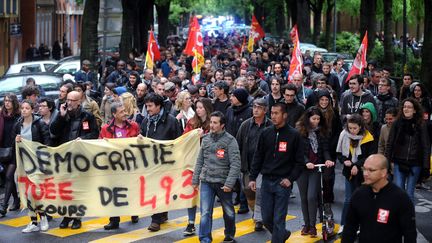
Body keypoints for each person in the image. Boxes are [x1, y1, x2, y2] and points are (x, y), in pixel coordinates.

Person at [249, 102, 305, 243]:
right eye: (272, 113)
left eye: (276, 113)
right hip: (267, 181)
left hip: (283, 182)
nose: (273, 116)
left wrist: (290, 179)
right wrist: (252, 177)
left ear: (284, 115)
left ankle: (278, 237)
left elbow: (299, 162)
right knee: (266, 218)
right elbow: (258, 156)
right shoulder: (265, 133)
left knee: (278, 219)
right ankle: (282, 234)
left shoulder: (294, 135)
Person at [49, 91, 99, 228]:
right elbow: (53, 131)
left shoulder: (87, 116)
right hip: (64, 157)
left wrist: (82, 139)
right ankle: (66, 217)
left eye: (72, 100)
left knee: (76, 190)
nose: (69, 102)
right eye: (68, 99)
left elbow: (94, 133)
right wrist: (60, 116)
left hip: (79, 159)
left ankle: (77, 218)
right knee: (65, 190)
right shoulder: (62, 114)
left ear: (79, 102)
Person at [341, 154, 417, 243]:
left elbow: (410, 234)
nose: (365, 173)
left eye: (371, 170)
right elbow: (350, 228)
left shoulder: (400, 198)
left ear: (384, 172)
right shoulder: (359, 195)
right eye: (364, 169)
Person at [192, 111, 241, 243]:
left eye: (215, 123)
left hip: (223, 183)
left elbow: (236, 164)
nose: (212, 125)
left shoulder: (230, 141)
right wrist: (195, 180)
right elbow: (199, 161)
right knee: (205, 213)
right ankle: (204, 239)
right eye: (211, 122)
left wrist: (229, 184)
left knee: (229, 213)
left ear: (222, 125)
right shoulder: (206, 139)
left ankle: (229, 236)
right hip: (207, 181)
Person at [138, 93, 182, 232]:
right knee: (154, 190)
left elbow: (179, 141)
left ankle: (156, 219)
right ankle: (161, 214)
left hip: (166, 163)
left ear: (159, 106)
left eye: (150, 106)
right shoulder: (146, 121)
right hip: (151, 163)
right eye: (146, 106)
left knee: (160, 190)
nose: (148, 109)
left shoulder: (172, 121)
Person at [99, 102, 140, 230]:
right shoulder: (106, 128)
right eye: (121, 112)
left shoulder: (133, 125)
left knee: (131, 189)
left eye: (125, 111)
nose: (125, 113)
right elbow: (99, 145)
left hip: (130, 164)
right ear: (114, 114)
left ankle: (134, 211)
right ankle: (114, 220)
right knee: (114, 192)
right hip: (113, 166)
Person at [295, 107, 334, 237]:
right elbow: (298, 151)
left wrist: (328, 160)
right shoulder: (300, 131)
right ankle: (306, 224)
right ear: (308, 119)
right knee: (304, 198)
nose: (316, 122)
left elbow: (326, 149)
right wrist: (306, 162)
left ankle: (312, 226)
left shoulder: (322, 132)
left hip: (316, 168)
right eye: (313, 119)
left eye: (318, 119)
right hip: (302, 168)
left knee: (312, 197)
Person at [13, 100, 51, 233]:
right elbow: (15, 145)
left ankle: (44, 217)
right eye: (22, 108)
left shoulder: (39, 123)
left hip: (37, 163)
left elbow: (46, 143)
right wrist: (16, 141)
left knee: (36, 192)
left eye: (27, 108)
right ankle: (33, 221)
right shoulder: (18, 124)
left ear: (32, 109)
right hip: (24, 164)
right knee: (27, 193)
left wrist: (44, 162)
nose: (24, 110)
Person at [236, 98, 272, 231]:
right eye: (254, 107)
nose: (256, 109)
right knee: (249, 192)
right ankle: (256, 214)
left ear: (265, 110)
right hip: (247, 165)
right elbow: (238, 144)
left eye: (259, 107)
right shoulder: (245, 125)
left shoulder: (270, 125)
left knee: (260, 192)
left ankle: (258, 219)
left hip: (264, 167)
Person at [385, 98, 430, 201]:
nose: (406, 109)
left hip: (415, 163)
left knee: (409, 194)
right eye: (404, 107)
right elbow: (389, 144)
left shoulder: (421, 124)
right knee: (399, 192)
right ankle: (398, 216)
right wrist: (387, 163)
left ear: (414, 110)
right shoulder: (397, 123)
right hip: (399, 161)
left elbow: (425, 146)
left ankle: (409, 217)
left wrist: (426, 166)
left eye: (409, 107)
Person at [336, 114, 376, 233]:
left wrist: (356, 165)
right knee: (348, 199)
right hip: (349, 172)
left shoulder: (368, 137)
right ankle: (344, 224)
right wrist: (344, 160)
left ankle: (360, 225)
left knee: (361, 199)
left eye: (355, 128)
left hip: (363, 173)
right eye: (350, 128)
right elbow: (339, 153)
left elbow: (369, 156)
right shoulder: (344, 134)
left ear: (360, 127)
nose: (352, 131)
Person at [182, 98, 213, 236]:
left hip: (209, 162)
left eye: (201, 107)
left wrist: (204, 136)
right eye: (197, 108)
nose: (199, 110)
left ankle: (205, 224)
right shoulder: (191, 122)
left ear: (206, 108)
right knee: (191, 191)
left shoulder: (213, 122)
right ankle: (190, 222)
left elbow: (217, 138)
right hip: (192, 161)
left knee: (205, 195)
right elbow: (184, 139)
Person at [0, 94, 22, 217]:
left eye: (9, 101)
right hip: (2, 149)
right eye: (5, 101)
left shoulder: (18, 116)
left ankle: (4, 206)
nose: (7, 103)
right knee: (6, 177)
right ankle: (16, 200)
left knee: (9, 176)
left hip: (14, 149)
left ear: (14, 102)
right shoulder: (1, 115)